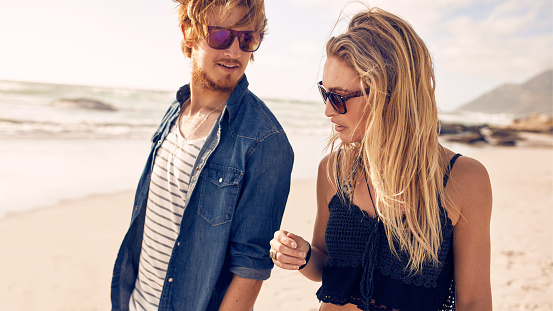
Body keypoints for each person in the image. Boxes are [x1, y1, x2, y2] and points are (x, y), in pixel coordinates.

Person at [270, 6, 492, 311]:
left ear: (389, 94)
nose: (328, 111)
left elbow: (474, 302)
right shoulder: (333, 170)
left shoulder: (463, 179)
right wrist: (302, 255)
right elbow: (326, 266)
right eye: (325, 94)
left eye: (339, 97)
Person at [110, 1, 294, 310]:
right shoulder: (176, 109)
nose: (235, 52)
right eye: (221, 36)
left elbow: (250, 269)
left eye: (247, 39)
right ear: (189, 33)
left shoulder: (266, 142)